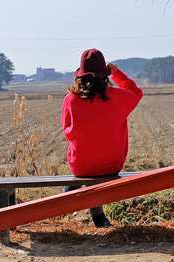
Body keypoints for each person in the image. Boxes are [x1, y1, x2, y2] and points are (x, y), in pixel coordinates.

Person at [61, 48, 143, 227]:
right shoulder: (118, 97)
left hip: (81, 166)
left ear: (80, 76)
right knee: (97, 167)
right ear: (105, 75)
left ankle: (72, 193)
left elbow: (66, 129)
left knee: (87, 166)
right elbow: (136, 92)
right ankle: (98, 219)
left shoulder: (70, 100)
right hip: (112, 164)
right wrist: (117, 73)